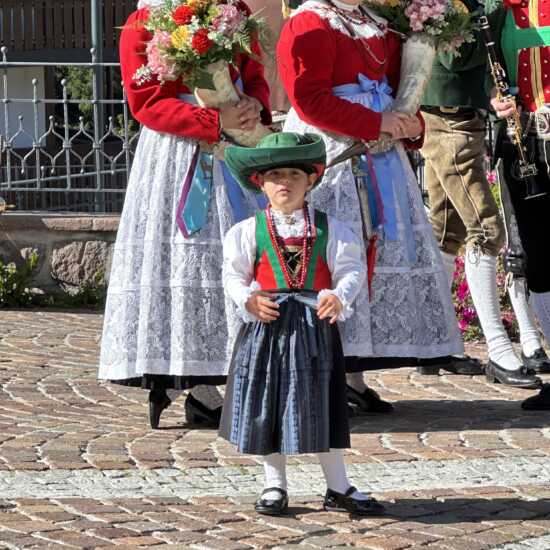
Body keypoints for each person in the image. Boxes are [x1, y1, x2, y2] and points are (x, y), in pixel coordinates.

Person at [276, 0, 464, 408]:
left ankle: (353, 376)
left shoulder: (377, 23)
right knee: (335, 256)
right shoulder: (310, 21)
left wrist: (411, 124)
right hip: (334, 150)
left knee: (369, 254)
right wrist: (374, 122)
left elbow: (396, 90)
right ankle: (320, 374)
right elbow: (309, 99)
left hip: (382, 155)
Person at [97, 0, 271, 429]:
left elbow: (254, 75)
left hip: (235, 148)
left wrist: (253, 105)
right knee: (188, 262)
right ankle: (190, 383)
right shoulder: (144, 21)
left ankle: (222, 381)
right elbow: (146, 102)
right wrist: (211, 119)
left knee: (237, 259)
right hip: (178, 155)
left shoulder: (233, 10)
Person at [220, 132, 385, 516]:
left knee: (323, 405)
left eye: (294, 174)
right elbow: (233, 275)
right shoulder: (247, 231)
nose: (285, 182)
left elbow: (351, 270)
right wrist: (248, 299)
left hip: (314, 332)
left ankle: (338, 486)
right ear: (259, 182)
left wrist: (338, 295)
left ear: (310, 180)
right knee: (267, 406)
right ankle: (274, 484)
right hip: (267, 330)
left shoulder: (332, 229)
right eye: (275, 175)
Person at [419, 0, 546, 388]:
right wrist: (489, 11)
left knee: (447, 231)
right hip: (447, 116)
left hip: (459, 113)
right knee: (486, 228)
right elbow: (454, 54)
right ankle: (498, 349)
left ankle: (432, 344)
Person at [483, 0, 550, 408]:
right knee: (539, 259)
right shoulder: (500, 12)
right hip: (521, 142)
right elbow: (487, 76)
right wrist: (496, 98)